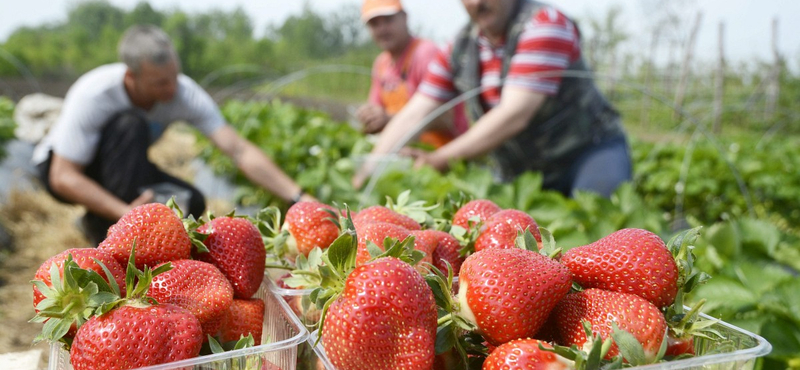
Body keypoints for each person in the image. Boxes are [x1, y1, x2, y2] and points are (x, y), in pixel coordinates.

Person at [32, 25, 313, 245]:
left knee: (191, 202)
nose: (171, 89)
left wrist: (298, 197)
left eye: (174, 77)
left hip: (124, 168)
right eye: (159, 83)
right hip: (63, 170)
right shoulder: (95, 93)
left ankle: (100, 219)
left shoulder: (184, 93)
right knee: (131, 126)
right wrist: (126, 214)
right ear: (132, 77)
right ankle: (105, 239)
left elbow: (237, 149)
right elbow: (62, 176)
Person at [353, 0, 632, 198]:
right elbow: (415, 113)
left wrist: (439, 158)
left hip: (586, 151)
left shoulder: (543, 25)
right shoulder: (459, 46)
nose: (478, 2)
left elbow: (514, 114)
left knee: (601, 216)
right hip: (522, 170)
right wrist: (368, 171)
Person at [355, 0, 469, 148]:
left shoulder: (425, 54)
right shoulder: (381, 64)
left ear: (404, 17)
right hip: (405, 153)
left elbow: (447, 118)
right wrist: (370, 118)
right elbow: (376, 108)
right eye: (374, 24)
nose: (382, 29)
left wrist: (390, 119)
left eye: (388, 20)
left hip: (443, 153)